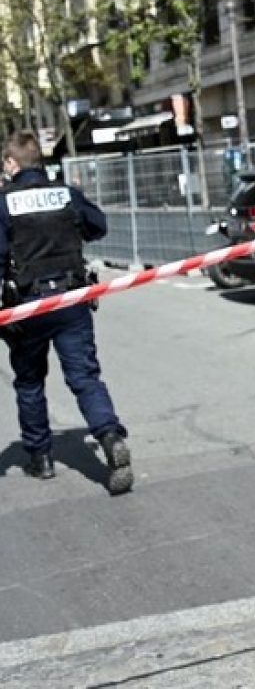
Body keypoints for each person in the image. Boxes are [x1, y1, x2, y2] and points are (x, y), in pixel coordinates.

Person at [0, 130, 133, 495]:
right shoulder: (64, 194)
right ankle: (108, 436)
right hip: (72, 299)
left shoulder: (4, 202)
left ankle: (40, 459)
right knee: (85, 377)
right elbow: (98, 226)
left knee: (29, 382)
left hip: (27, 306)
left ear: (12, 163)